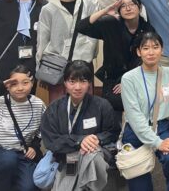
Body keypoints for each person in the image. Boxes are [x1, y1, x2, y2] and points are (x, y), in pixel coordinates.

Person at [37, 0, 117, 102]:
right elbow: (42, 40)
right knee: (59, 108)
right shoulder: (48, 9)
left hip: (83, 64)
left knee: (86, 108)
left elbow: (116, 3)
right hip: (57, 66)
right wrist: (40, 69)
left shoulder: (90, 4)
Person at [76, 0, 156, 126]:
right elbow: (81, 27)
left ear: (140, 7)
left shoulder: (147, 29)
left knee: (140, 112)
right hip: (112, 78)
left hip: (137, 78)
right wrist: (105, 11)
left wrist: (128, 81)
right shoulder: (111, 23)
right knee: (112, 115)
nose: (128, 8)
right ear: (118, 10)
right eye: (123, 6)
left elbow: (149, 59)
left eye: (132, 4)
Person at [121, 31, 169, 191]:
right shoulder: (129, 78)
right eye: (145, 48)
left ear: (162, 50)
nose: (151, 52)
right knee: (140, 185)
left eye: (155, 47)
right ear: (139, 52)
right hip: (135, 131)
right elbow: (135, 117)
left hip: (162, 127)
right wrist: (157, 143)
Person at [41, 60, 119, 190]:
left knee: (92, 157)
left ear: (89, 83)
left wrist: (95, 139)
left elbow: (113, 132)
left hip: (95, 153)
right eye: (72, 81)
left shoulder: (102, 105)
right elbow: (50, 140)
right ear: (65, 83)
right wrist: (80, 140)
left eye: (83, 81)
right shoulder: (54, 109)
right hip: (66, 156)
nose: (77, 87)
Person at [0, 65, 46, 191]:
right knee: (8, 161)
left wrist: (34, 147)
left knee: (30, 187)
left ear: (32, 83)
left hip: (21, 153)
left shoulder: (38, 104)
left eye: (25, 83)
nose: (20, 88)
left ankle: (6, 177)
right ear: (7, 86)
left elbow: (41, 132)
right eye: (14, 84)